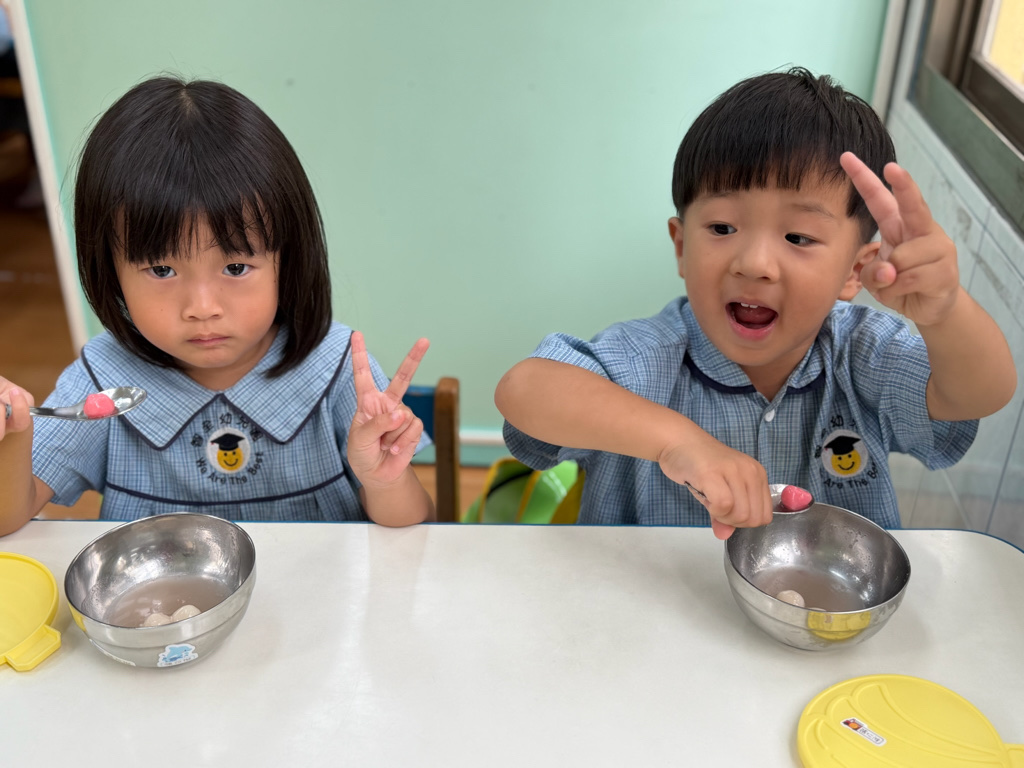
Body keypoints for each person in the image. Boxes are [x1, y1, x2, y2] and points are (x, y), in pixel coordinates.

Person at [495, 67, 1016, 539]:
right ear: (681, 246)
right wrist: (677, 442)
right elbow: (526, 388)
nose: (755, 263)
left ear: (855, 270)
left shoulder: (862, 353)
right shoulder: (647, 359)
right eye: (723, 228)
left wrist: (946, 311)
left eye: (798, 237)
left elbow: (978, 394)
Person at [0, 76, 433, 536]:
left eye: (236, 267)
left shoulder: (338, 366)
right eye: (162, 270)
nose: (202, 308)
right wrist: (14, 432)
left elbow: (414, 525)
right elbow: (9, 517)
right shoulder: (104, 380)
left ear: (287, 259)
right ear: (109, 270)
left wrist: (382, 481)